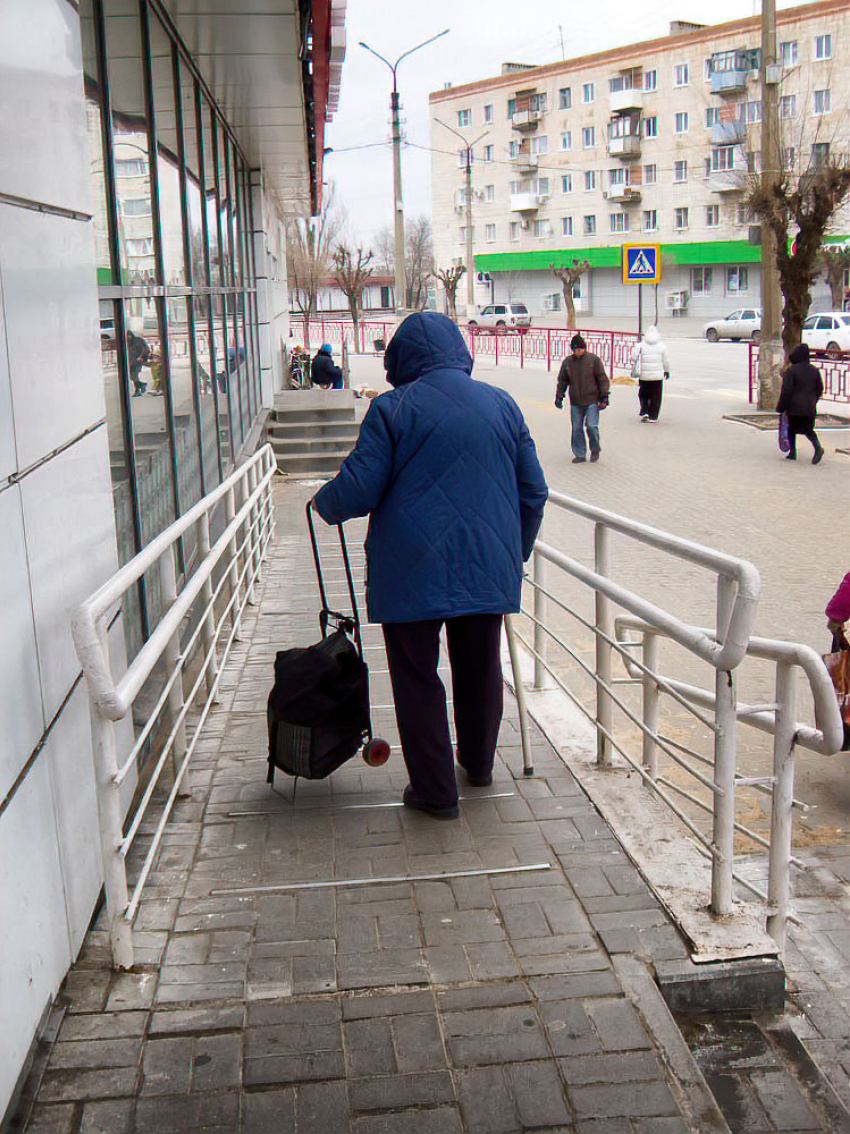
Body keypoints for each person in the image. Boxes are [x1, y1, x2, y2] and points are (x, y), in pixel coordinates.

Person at [311, 312, 548, 819]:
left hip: (410, 570)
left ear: (402, 359)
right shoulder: (502, 404)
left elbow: (361, 486)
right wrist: (514, 553)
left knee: (418, 678)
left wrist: (323, 504)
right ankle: (480, 765)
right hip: (487, 566)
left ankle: (437, 793)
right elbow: (534, 491)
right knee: (480, 669)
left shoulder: (393, 409)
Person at [554, 333, 610, 463]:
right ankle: (580, 453)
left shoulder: (593, 360)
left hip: (592, 400)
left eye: (579, 349)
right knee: (577, 427)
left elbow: (602, 379)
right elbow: (562, 381)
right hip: (576, 401)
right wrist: (559, 397)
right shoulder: (568, 363)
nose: (577, 352)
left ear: (584, 348)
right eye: (575, 350)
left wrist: (604, 396)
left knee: (591, 426)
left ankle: (595, 448)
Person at [776, 343, 825, 464]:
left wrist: (781, 407)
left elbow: (786, 391)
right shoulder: (814, 370)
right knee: (808, 430)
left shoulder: (792, 371)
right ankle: (818, 447)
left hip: (794, 408)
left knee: (791, 429)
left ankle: (792, 452)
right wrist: (813, 401)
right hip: (809, 407)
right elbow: (820, 389)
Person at [630, 325, 670, 422]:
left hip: (644, 376)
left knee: (643, 394)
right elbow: (666, 361)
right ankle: (653, 416)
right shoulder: (662, 346)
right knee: (656, 396)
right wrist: (667, 371)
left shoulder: (640, 345)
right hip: (657, 376)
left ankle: (644, 411)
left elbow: (633, 358)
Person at [126, 329, 151, 397]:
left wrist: (141, 357)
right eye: (127, 336)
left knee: (134, 375)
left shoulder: (138, 341)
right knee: (132, 376)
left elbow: (145, 349)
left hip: (138, 361)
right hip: (130, 362)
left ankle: (137, 390)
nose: (129, 337)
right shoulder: (126, 342)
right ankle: (141, 385)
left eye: (129, 335)